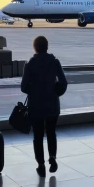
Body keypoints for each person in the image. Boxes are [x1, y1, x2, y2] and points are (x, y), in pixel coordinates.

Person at [21, 36, 67, 177]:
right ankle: (52, 157)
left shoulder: (30, 64)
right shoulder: (54, 62)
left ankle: (40, 165)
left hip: (36, 105)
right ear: (47, 47)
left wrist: (34, 90)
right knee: (51, 132)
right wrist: (55, 92)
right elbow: (63, 82)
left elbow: (23, 87)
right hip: (52, 104)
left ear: (35, 48)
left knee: (38, 135)